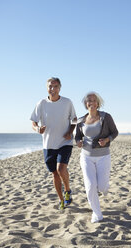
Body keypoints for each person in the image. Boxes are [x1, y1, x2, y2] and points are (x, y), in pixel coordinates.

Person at [30, 77, 77, 210]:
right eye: (50, 86)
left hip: (65, 142)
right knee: (54, 174)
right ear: (47, 88)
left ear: (60, 88)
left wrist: (70, 131)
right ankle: (61, 200)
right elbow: (33, 122)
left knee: (61, 169)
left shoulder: (67, 102)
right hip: (48, 145)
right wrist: (37, 128)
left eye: (55, 86)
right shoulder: (41, 103)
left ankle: (67, 191)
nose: (53, 89)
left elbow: (74, 119)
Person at [75, 92, 118, 223]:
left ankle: (102, 190)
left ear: (98, 103)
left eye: (94, 100)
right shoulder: (81, 120)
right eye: (89, 100)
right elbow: (77, 136)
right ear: (85, 104)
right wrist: (77, 142)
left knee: (102, 186)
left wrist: (107, 140)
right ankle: (97, 214)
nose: (91, 103)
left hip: (103, 156)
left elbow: (115, 132)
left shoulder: (106, 117)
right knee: (90, 186)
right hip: (86, 157)